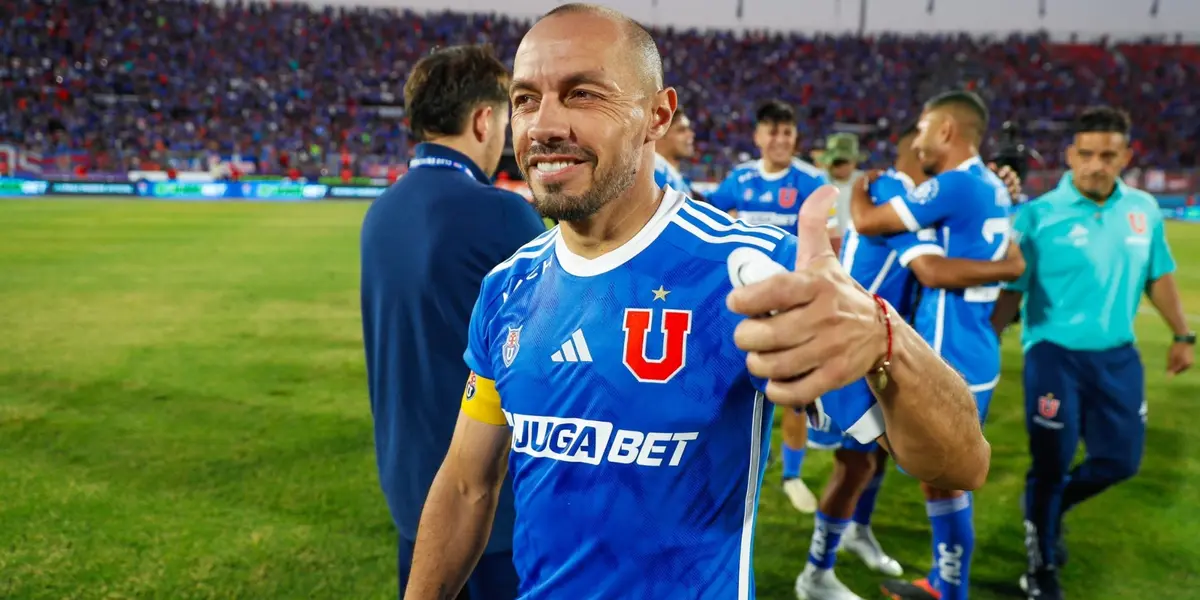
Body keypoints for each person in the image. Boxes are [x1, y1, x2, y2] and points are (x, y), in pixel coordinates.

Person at [402, 5, 989, 599]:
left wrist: (883, 335)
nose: (544, 125)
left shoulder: (751, 271)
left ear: (657, 114)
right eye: (526, 99)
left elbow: (961, 464)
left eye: (582, 94)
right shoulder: (509, 286)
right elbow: (466, 484)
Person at [799, 123, 1025, 600]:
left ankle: (857, 535)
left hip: (877, 346)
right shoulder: (895, 194)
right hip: (853, 347)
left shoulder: (902, 194)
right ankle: (816, 573)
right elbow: (930, 269)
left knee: (874, 464)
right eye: (924, 143)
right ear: (913, 151)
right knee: (868, 467)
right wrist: (1010, 266)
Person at [359, 45, 546, 600]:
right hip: (483, 501)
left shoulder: (380, 212)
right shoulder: (501, 213)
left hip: (409, 486)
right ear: (484, 119)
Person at [991, 106, 1194, 600]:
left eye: (1108, 155)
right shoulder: (1039, 216)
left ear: (1126, 155)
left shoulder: (1144, 209)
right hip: (1054, 356)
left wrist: (1182, 335)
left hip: (1118, 358)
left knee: (1120, 462)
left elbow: (1157, 274)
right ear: (1069, 155)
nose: (1096, 165)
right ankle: (1039, 570)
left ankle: (1048, 511)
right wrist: (986, 339)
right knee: (1052, 463)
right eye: (1086, 154)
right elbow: (1012, 290)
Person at [707, 99, 830, 514]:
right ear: (758, 137)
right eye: (773, 132)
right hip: (743, 299)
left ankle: (792, 475)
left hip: (791, 300)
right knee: (732, 383)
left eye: (787, 133)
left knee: (795, 390)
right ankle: (731, 457)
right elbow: (711, 220)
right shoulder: (739, 179)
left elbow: (827, 244)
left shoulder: (811, 181)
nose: (780, 140)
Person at [653, 109, 695, 196]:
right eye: (681, 130)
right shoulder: (654, 177)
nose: (691, 134)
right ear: (659, 132)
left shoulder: (673, 177)